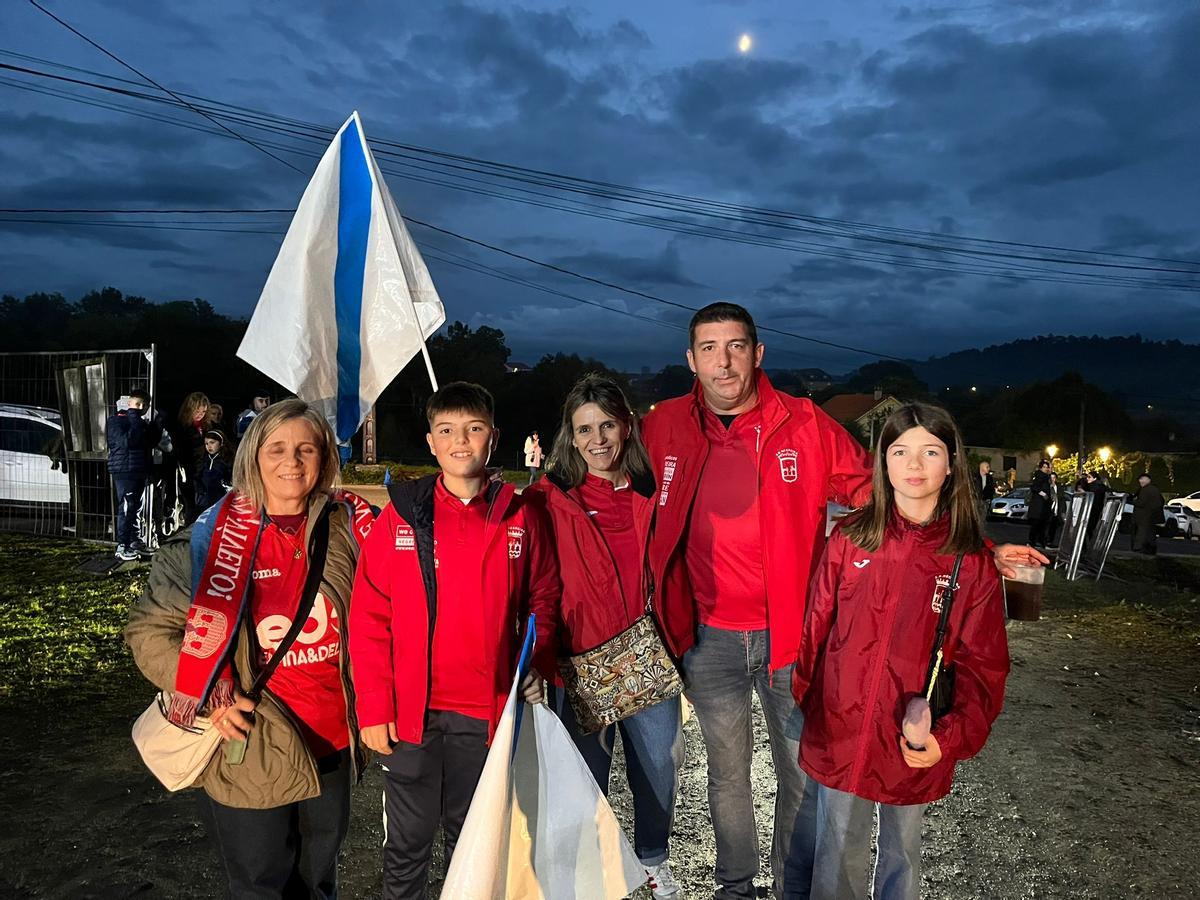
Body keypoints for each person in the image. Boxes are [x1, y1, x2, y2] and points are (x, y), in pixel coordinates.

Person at [641, 302, 1045, 899]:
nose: (723, 361)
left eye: (735, 346)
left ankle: (795, 889)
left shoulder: (802, 422)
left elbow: (882, 489)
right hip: (708, 635)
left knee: (804, 775)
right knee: (727, 777)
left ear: (758, 353)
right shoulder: (663, 425)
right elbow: (600, 474)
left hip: (792, 635)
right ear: (690, 360)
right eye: (708, 348)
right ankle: (735, 887)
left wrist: (977, 546)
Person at [125, 399, 375, 899]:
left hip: (332, 739)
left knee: (318, 882)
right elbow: (150, 634)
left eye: (307, 448)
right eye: (276, 448)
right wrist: (211, 690)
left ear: (325, 458)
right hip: (249, 738)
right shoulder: (204, 541)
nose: (292, 461)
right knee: (261, 886)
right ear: (252, 458)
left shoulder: (349, 528)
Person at [349, 381, 559, 900]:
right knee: (408, 844)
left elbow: (545, 600)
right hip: (412, 714)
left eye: (473, 429)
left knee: (472, 843)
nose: (460, 441)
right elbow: (369, 614)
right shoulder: (403, 513)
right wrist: (374, 707)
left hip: (485, 714)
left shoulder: (521, 514)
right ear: (430, 441)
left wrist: (536, 660)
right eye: (447, 430)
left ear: (494, 437)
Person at [793, 402, 1010, 900]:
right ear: (882, 463)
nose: (914, 465)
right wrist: (817, 708)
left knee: (902, 854)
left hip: (914, 734)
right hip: (842, 729)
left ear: (952, 463)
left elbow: (985, 666)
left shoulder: (969, 561)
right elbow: (816, 633)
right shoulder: (849, 540)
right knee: (836, 852)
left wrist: (949, 737)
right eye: (900, 451)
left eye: (930, 452)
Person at [526, 374, 690, 899]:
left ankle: (652, 859)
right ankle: (588, 872)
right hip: (577, 661)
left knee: (659, 767)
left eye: (607, 425)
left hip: (645, 655)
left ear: (626, 427)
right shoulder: (546, 499)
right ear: (570, 438)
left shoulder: (653, 494)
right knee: (583, 779)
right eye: (584, 429)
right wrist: (535, 656)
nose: (597, 439)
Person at [106, 389, 164, 561]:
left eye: (144, 405)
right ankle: (121, 546)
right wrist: (134, 418)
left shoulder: (139, 422)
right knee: (126, 507)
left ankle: (133, 542)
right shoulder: (117, 421)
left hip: (138, 470)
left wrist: (157, 425)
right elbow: (127, 442)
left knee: (135, 508)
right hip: (124, 470)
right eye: (137, 404)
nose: (141, 408)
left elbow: (148, 443)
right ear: (129, 403)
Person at [194, 429, 232, 512]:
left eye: (212, 442)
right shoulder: (203, 460)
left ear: (221, 443)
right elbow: (197, 477)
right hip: (204, 500)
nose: (209, 446)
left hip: (221, 499)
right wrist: (200, 492)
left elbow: (230, 479)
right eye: (206, 443)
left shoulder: (227, 461)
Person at [1131, 472, 1164, 555]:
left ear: (1148, 480)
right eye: (1140, 479)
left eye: (1142, 479)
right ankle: (1150, 549)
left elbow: (1141, 503)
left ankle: (1139, 548)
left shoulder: (1145, 490)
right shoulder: (1154, 489)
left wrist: (1133, 501)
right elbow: (1161, 501)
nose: (1140, 481)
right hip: (1152, 516)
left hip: (1144, 515)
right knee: (1150, 533)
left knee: (1142, 532)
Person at [1026, 459, 1054, 549]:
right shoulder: (1040, 476)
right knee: (1037, 525)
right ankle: (1034, 542)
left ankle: (1038, 542)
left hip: (1042, 506)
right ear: (1041, 468)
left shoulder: (1046, 477)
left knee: (1041, 525)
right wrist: (1043, 494)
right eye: (1044, 467)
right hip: (1039, 507)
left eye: (1047, 467)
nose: (1046, 469)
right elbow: (1035, 487)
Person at [1084, 471, 1107, 540]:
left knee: (1089, 527)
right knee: (1089, 527)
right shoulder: (1096, 485)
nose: (1087, 478)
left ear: (1095, 478)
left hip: (1094, 509)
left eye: (1089, 477)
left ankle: (1090, 542)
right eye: (1087, 477)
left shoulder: (1096, 486)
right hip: (1094, 508)